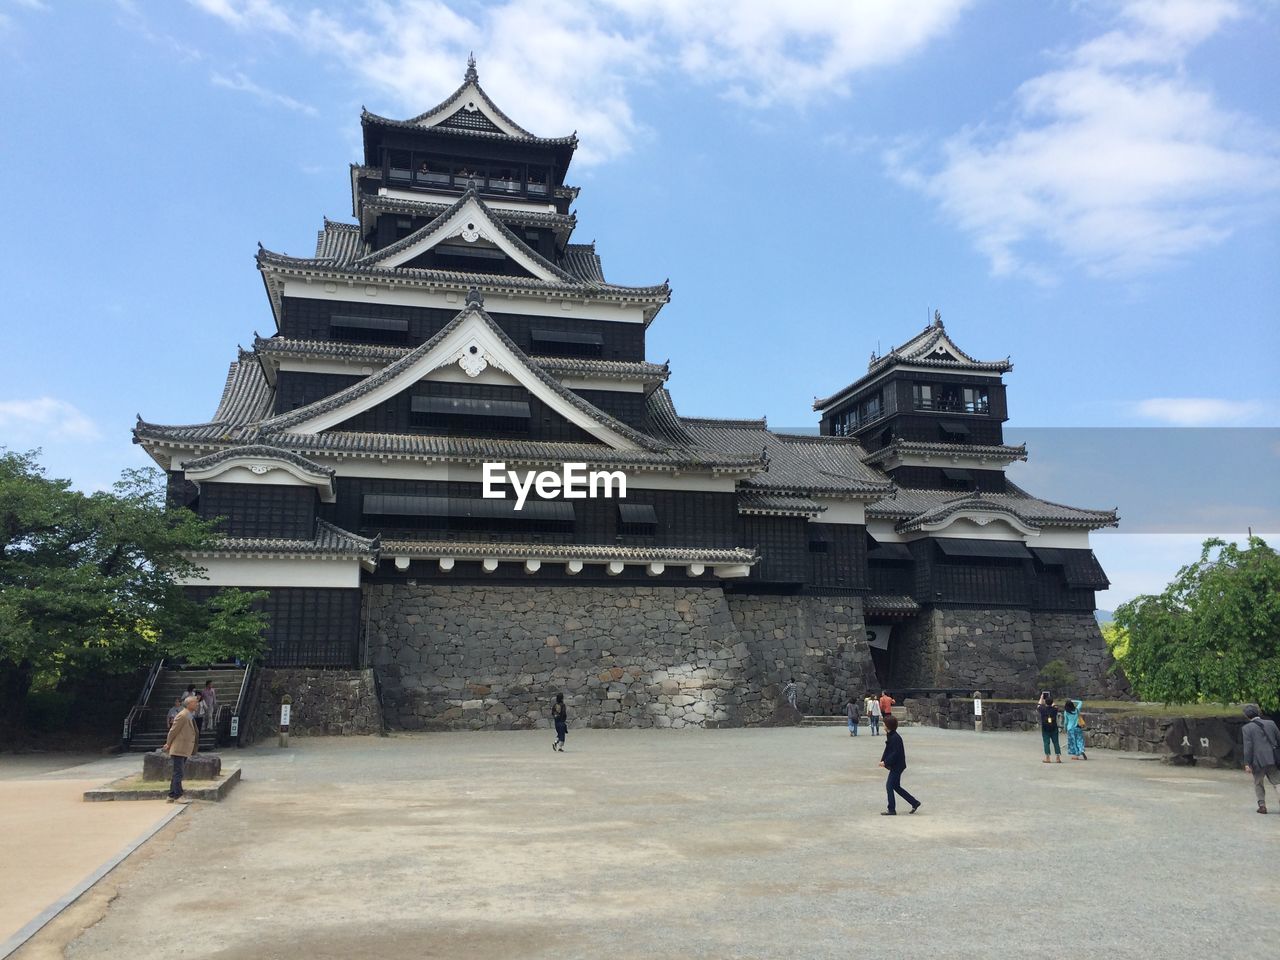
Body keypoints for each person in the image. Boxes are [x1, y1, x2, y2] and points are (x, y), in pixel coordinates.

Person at [1241, 703, 1280, 814]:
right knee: (1277, 782)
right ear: (1258, 713)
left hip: (1257, 760)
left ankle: (1262, 805)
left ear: (1247, 716)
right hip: (1272, 758)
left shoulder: (1247, 728)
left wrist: (1247, 763)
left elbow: (1248, 747)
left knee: (1258, 782)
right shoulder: (1271, 723)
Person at [878, 716, 920, 815]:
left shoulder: (895, 737)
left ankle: (891, 809)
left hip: (897, 766)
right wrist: (884, 760)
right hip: (898, 765)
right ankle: (914, 802)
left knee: (889, 786)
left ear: (888, 725)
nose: (883, 725)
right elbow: (889, 750)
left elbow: (895, 753)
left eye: (884, 723)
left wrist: (885, 762)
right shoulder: (891, 735)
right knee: (896, 786)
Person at [163, 695, 199, 803]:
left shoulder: (189, 715)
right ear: (189, 704)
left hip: (184, 748)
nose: (197, 704)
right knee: (178, 772)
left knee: (177, 772)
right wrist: (168, 743)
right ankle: (178, 796)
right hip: (179, 748)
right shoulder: (182, 715)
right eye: (195, 702)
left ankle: (171, 795)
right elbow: (173, 731)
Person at [1038, 692, 1062, 763]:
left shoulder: (1042, 709)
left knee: (1046, 742)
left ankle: (1047, 757)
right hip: (1054, 727)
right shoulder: (1054, 709)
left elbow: (1038, 705)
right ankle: (1058, 757)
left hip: (1045, 728)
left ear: (1045, 702)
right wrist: (1051, 699)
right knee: (1056, 742)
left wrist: (1041, 698)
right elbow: (1055, 705)